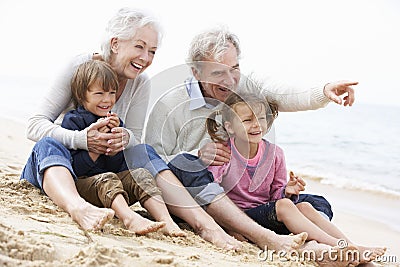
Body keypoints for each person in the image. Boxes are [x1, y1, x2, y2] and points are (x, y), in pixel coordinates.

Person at [20, 7, 253, 250]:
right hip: (60, 175)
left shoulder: (140, 82)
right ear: (115, 43)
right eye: (139, 47)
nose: (145, 57)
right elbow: (35, 125)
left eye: (152, 51)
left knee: (143, 151)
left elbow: (136, 139)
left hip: (105, 178)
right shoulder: (80, 67)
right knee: (47, 143)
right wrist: (82, 140)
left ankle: (206, 225)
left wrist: (125, 137)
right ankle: (78, 208)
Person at [136, 27, 356, 244]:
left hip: (246, 206)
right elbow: (153, 165)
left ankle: (315, 243)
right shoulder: (169, 105)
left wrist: (324, 92)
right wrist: (198, 157)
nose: (230, 80)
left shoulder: (245, 89)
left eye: (234, 68)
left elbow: (282, 94)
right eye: (218, 73)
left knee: (317, 204)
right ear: (196, 72)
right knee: (188, 164)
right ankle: (255, 232)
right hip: (198, 197)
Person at [203, 86, 386, 265]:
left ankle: (349, 245)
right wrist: (229, 227)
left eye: (260, 118)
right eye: (247, 120)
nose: (256, 124)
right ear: (230, 127)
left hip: (267, 215)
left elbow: (276, 198)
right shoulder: (223, 153)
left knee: (305, 206)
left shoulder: (275, 153)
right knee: (285, 205)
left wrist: (287, 191)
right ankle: (337, 245)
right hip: (241, 218)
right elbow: (212, 193)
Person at [58, 60, 185, 236]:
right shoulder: (73, 121)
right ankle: (128, 218)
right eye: (99, 93)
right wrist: (95, 148)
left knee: (141, 174)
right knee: (107, 178)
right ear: (82, 96)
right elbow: (75, 168)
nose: (107, 100)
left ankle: (167, 222)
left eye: (112, 93)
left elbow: (118, 164)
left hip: (114, 190)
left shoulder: (114, 122)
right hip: (85, 186)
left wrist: (118, 143)